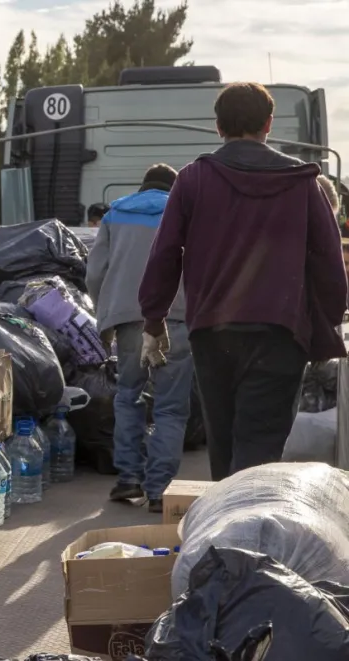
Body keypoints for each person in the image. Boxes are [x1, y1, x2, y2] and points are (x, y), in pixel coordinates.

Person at [138, 83, 347, 482]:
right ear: (269, 124)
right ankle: (243, 535)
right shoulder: (303, 182)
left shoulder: (192, 180)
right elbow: (329, 262)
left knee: (226, 445)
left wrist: (154, 321)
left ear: (218, 127)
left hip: (212, 333)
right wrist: (330, 324)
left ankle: (228, 531)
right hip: (280, 332)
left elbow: (165, 254)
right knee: (259, 448)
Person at [87, 164, 193, 514]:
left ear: (143, 186)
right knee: (171, 409)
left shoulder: (116, 214)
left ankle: (128, 479)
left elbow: (95, 274)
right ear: (173, 189)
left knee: (128, 397)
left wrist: (108, 313)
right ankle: (160, 489)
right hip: (176, 320)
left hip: (129, 322)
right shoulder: (187, 213)